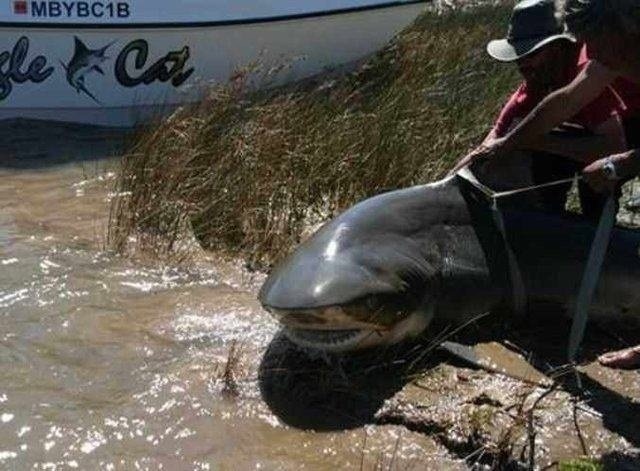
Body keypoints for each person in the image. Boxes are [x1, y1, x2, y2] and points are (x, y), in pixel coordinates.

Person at [457, 0, 640, 369]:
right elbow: (566, 100)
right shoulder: (607, 54)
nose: (589, 54)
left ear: (627, 31)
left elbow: (616, 146)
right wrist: (506, 145)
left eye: (595, 44)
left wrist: (620, 163)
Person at [453, 0, 626, 218]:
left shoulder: (591, 66)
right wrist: (448, 181)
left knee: (596, 186)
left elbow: (615, 145)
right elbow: (493, 142)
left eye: (531, 55)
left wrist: (532, 140)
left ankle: (603, 233)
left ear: (556, 47)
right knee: (525, 136)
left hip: (630, 130)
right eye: (519, 57)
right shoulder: (539, 79)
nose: (523, 65)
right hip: (600, 138)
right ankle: (547, 217)